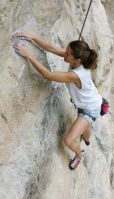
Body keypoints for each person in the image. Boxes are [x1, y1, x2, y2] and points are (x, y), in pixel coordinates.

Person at [12, 33, 102, 170]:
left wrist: (29, 55)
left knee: (68, 141)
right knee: (86, 126)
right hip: (90, 101)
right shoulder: (79, 60)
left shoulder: (75, 75)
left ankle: (79, 155)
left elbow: (48, 75)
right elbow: (52, 48)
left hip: (90, 109)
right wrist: (33, 37)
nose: (64, 54)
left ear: (76, 60)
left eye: (67, 53)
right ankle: (87, 139)